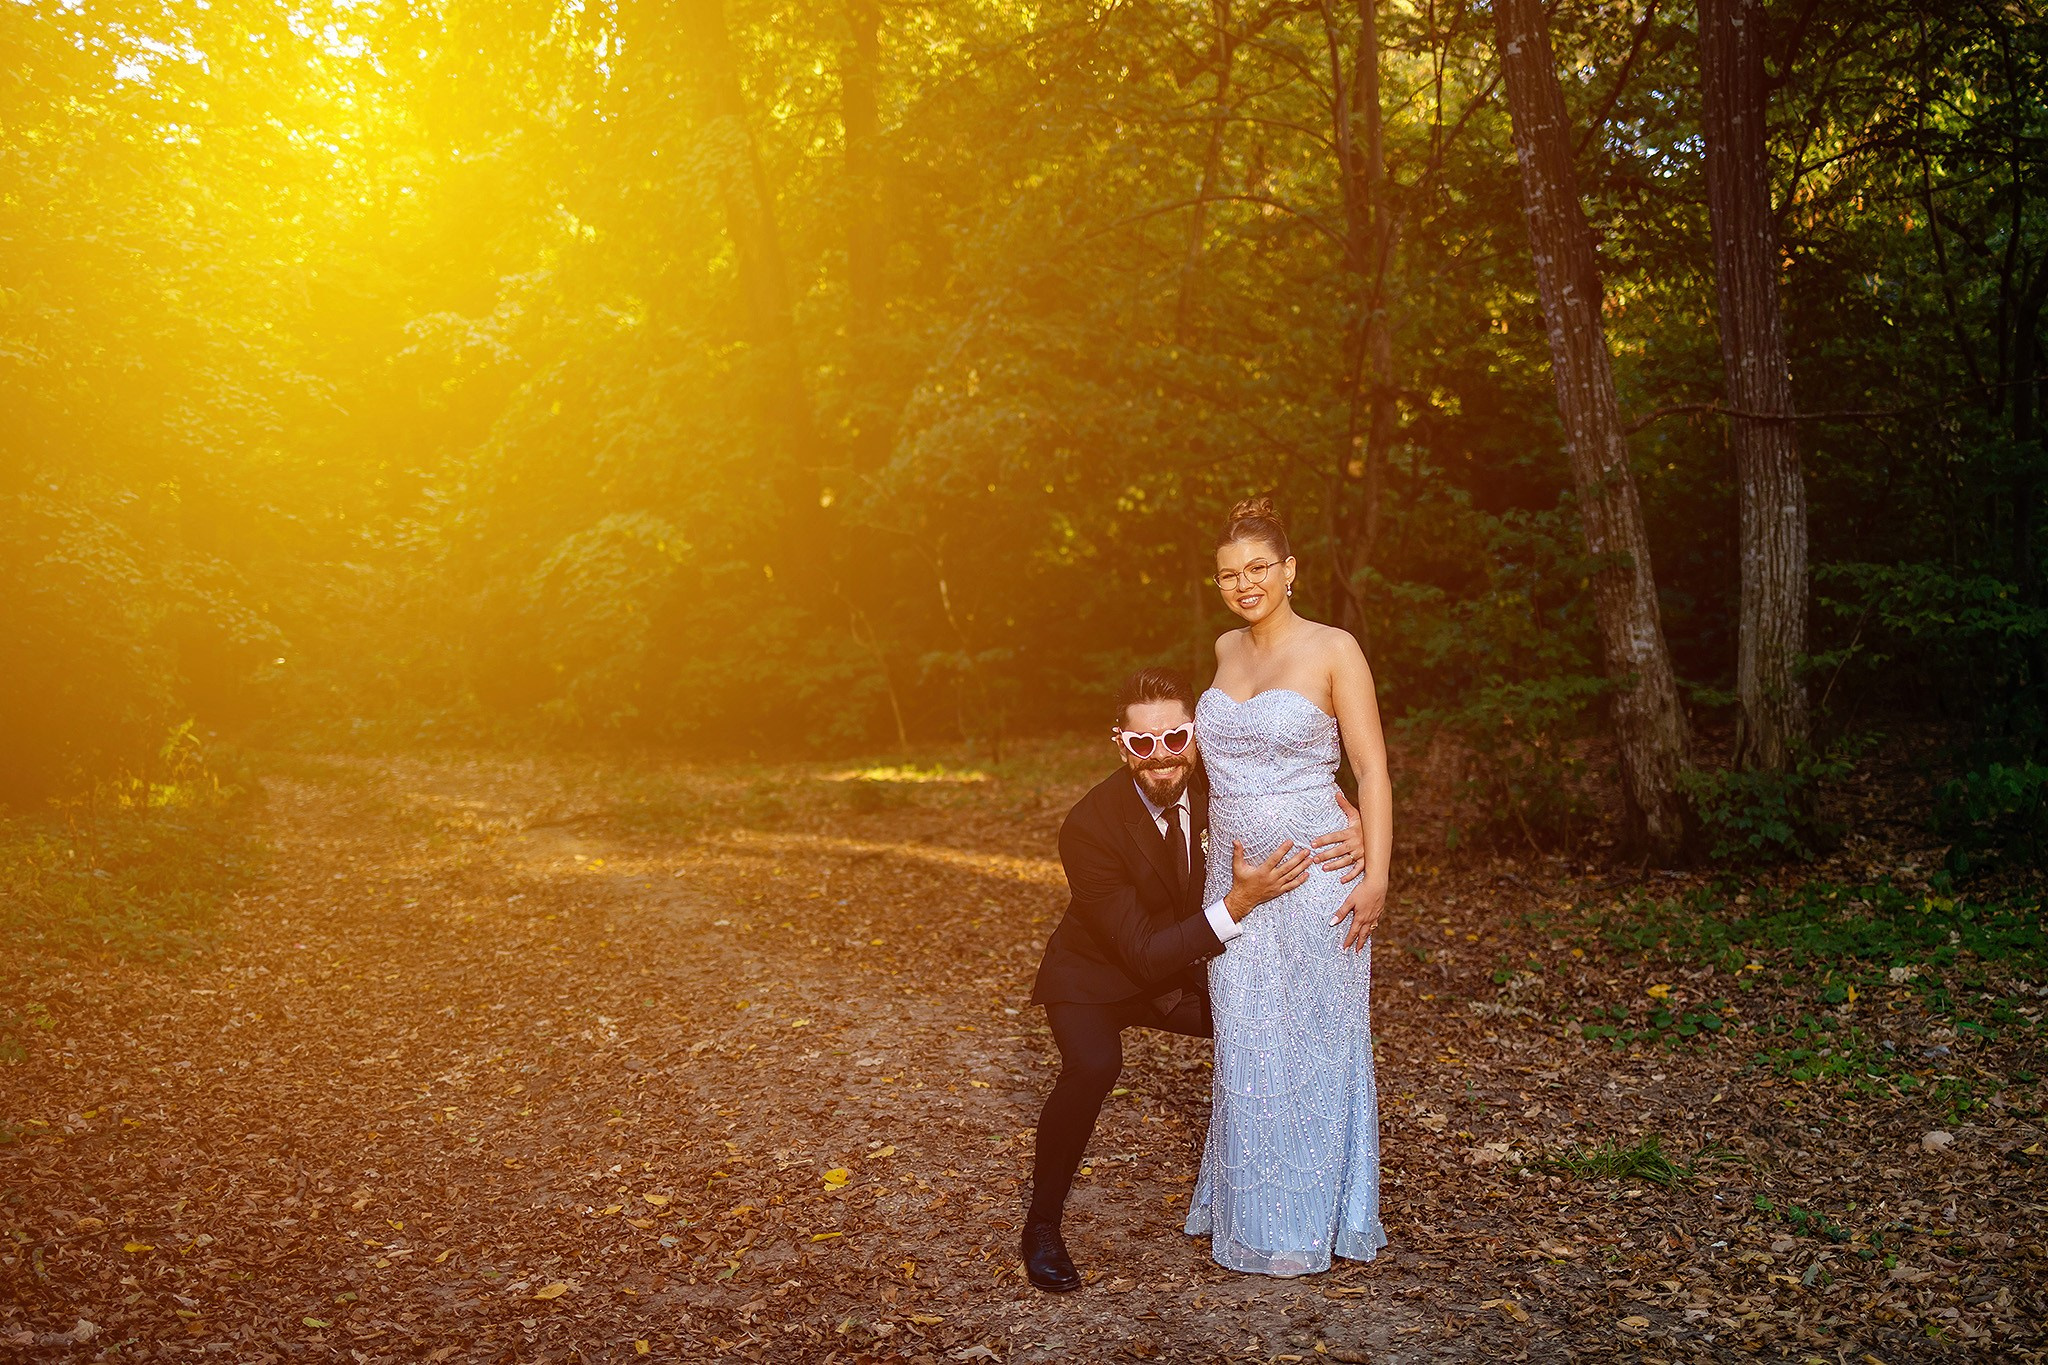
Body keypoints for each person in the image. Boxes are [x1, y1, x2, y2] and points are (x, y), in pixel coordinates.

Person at [1021, 665, 1369, 1292]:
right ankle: (1042, 1225)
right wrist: (1239, 904)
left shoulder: (1222, 789)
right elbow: (1140, 950)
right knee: (1094, 1066)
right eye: (1142, 743)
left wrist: (1358, 827)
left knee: (1266, 1022)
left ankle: (1292, 1197)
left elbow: (1298, 796)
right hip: (1095, 978)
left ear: (1197, 734)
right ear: (1120, 745)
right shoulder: (1088, 827)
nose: (1162, 757)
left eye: (1176, 738)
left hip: (1176, 973)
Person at [1184, 496, 1394, 1276]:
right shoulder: (1223, 648)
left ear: (1291, 568)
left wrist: (1376, 871)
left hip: (1315, 876)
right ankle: (1254, 1206)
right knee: (1246, 1039)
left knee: (1314, 1039)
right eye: (1229, 574)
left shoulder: (1335, 648)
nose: (1245, 584)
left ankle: (1315, 1215)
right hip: (1232, 882)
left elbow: (1371, 770)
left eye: (1259, 568)